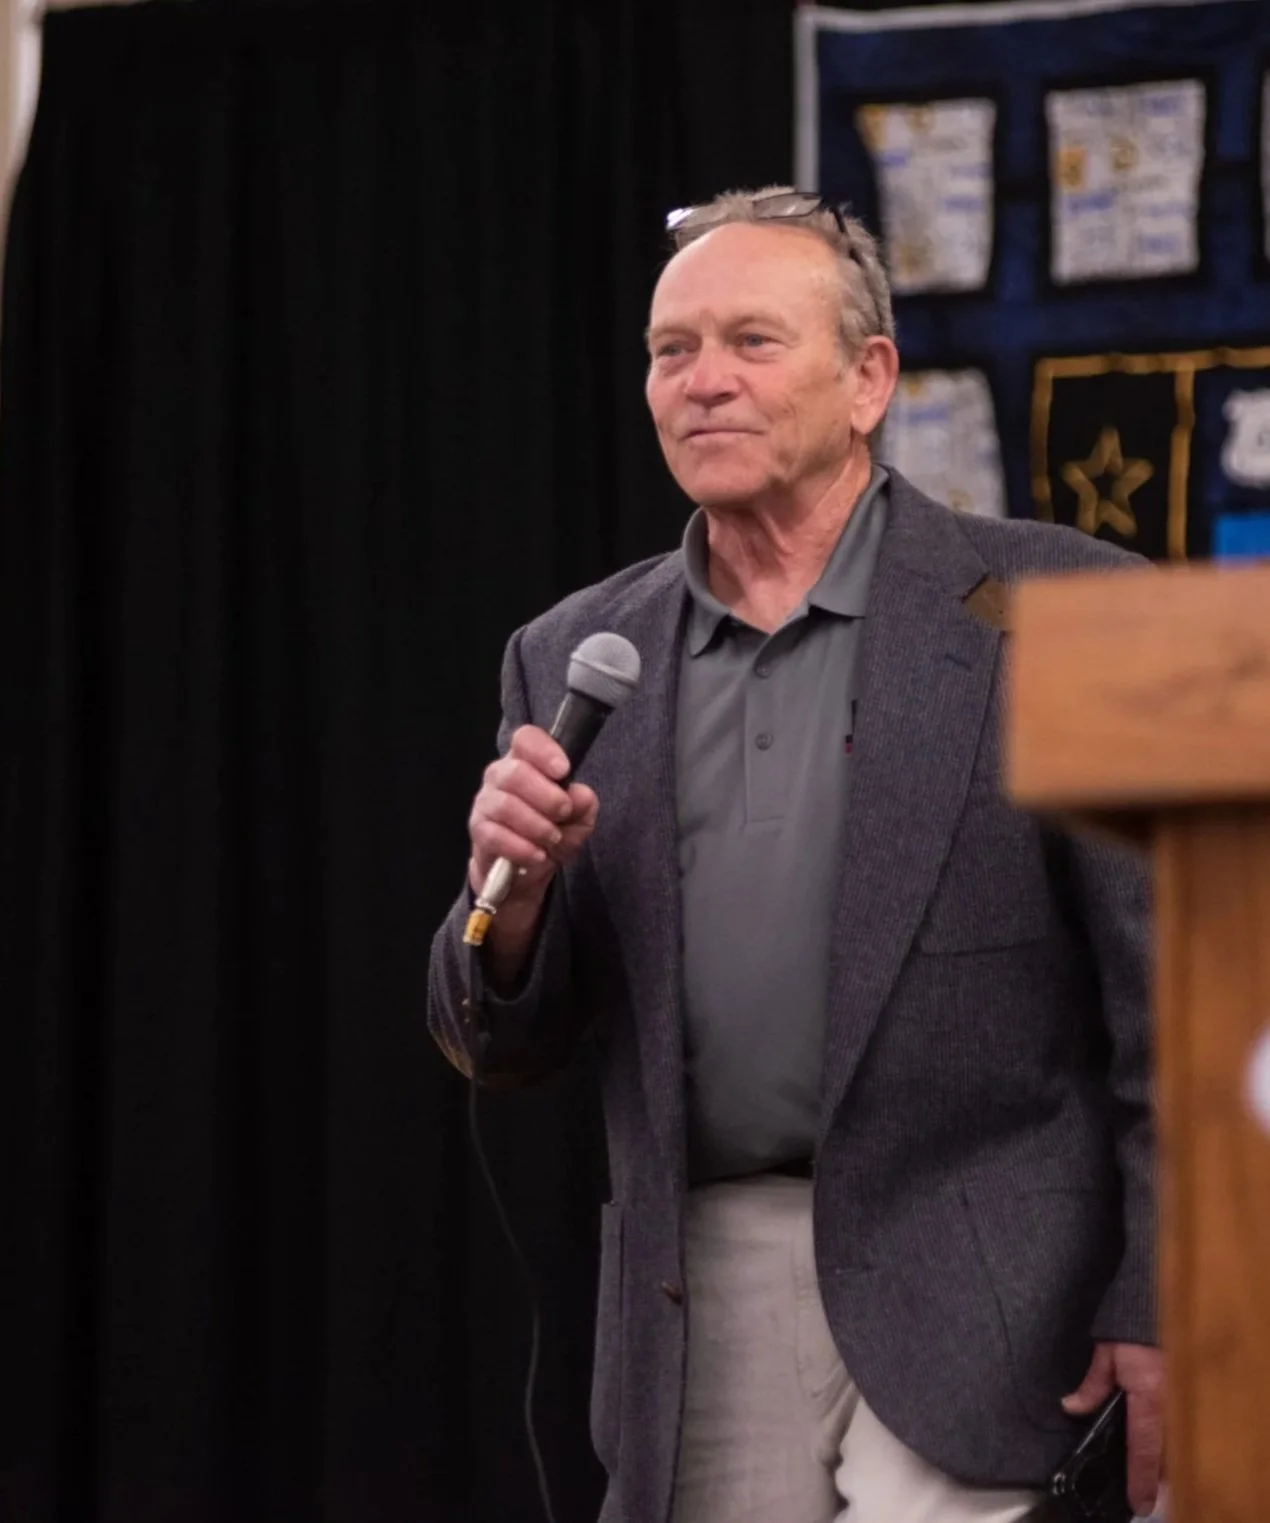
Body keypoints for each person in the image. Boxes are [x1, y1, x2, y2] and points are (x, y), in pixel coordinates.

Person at [429, 187, 1161, 1523]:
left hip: (997, 1281)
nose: (701, 382)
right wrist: (513, 900)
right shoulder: (575, 654)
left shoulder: (1057, 612)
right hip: (699, 1285)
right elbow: (498, 1035)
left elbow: (1168, 1008)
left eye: (751, 341)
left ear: (866, 378)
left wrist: (1158, 1294)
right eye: (670, 349)